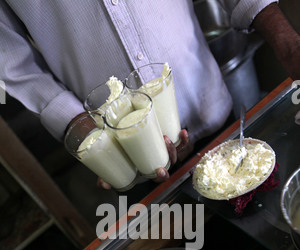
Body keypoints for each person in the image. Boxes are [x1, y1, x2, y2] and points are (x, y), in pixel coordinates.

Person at [0, 0, 299, 188]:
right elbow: (12, 62)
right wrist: (94, 141)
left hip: (219, 121)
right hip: (127, 159)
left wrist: (289, 45)